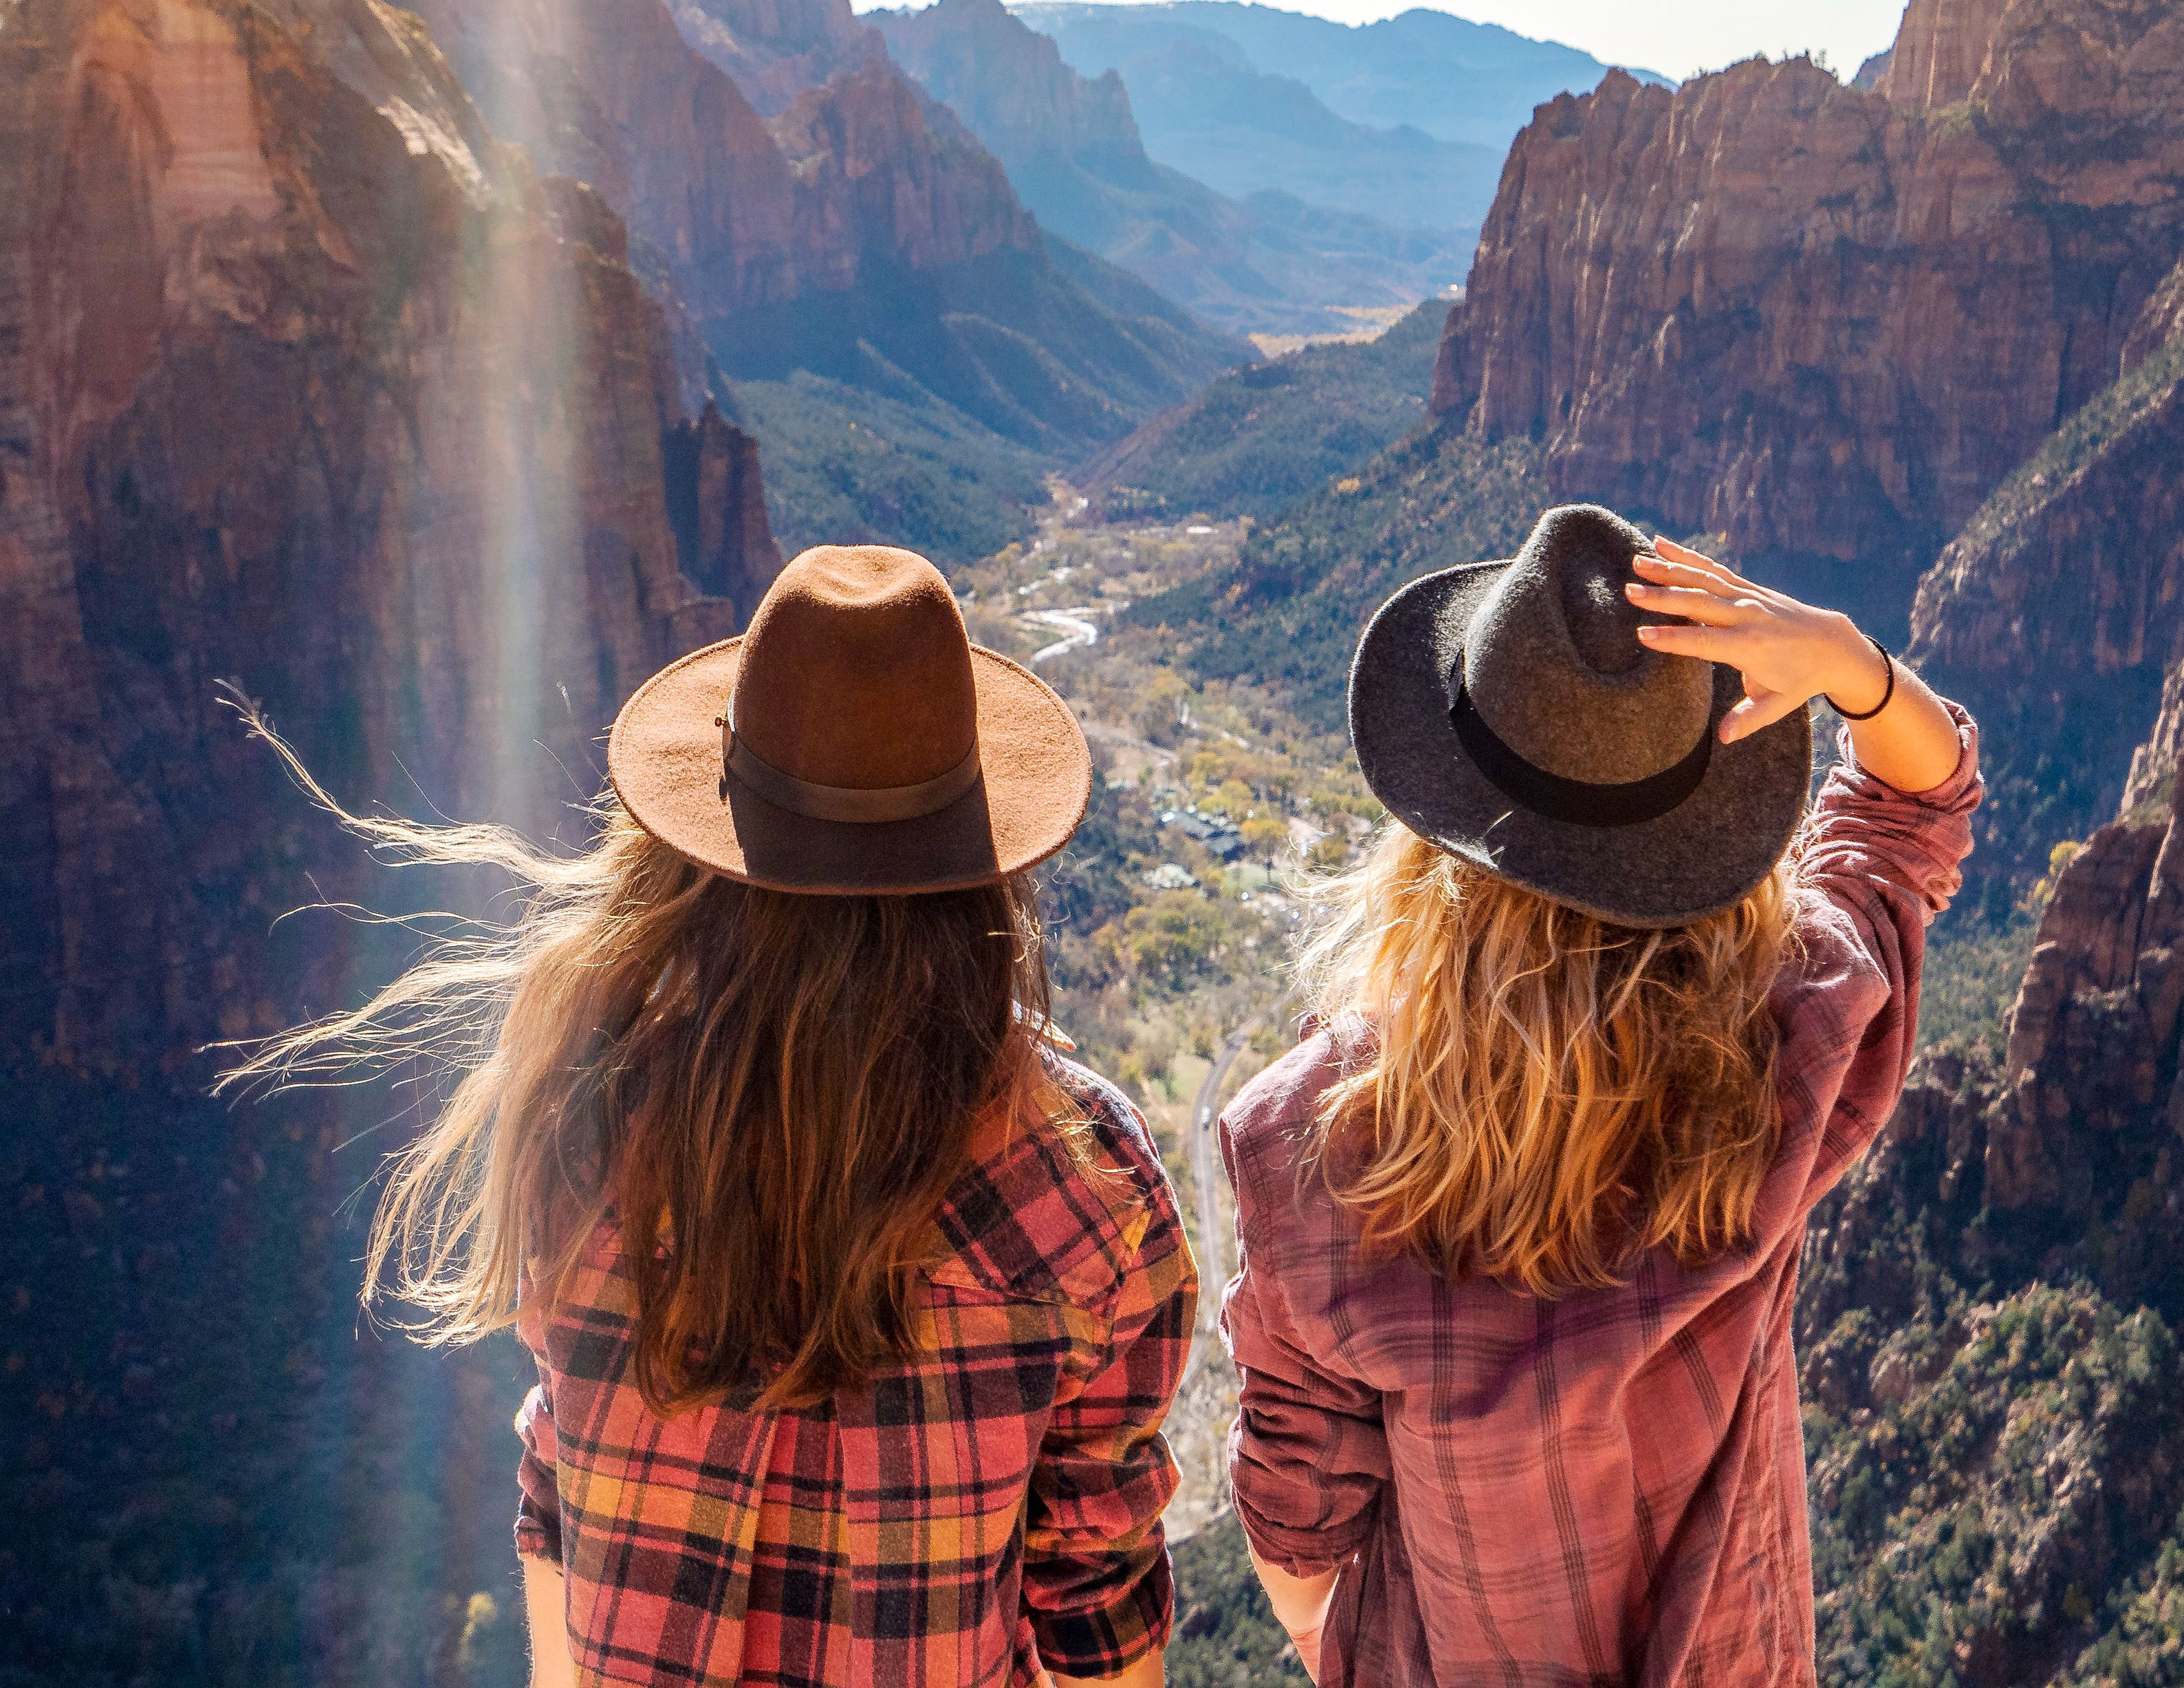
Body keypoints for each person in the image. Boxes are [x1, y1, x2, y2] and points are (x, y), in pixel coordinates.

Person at [230, 544, 1197, 1688]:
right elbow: (1096, 1606)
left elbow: (556, 1493)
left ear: (696, 854)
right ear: (983, 865)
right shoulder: (1081, 1186)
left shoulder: (580, 1108)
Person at [1216, 505, 1978, 1686]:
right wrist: (1847, 666)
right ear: (1701, 840)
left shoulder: (1310, 1151)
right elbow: (1909, 814)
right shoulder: (1788, 1044)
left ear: (1433, 839)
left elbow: (1294, 1523)